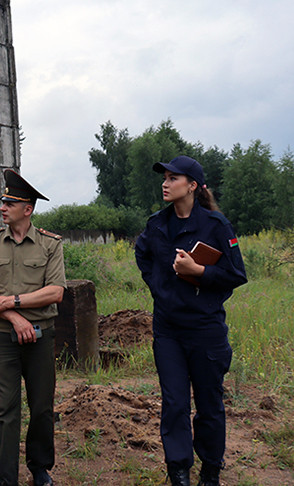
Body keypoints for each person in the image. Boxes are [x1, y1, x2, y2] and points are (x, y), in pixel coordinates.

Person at [135, 155, 247, 486]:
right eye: (165, 178)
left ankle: (210, 469)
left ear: (192, 186)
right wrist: (159, 286)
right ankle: (179, 470)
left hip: (205, 329)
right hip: (168, 329)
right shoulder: (156, 223)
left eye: (173, 178)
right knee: (174, 403)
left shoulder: (215, 226)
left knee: (209, 403)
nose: (165, 183)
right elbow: (142, 254)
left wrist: (198, 272)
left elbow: (235, 274)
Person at [0, 169, 66, 486]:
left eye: (10, 203)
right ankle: (5, 477)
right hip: (2, 338)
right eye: (3, 201)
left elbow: (55, 292)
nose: (3, 207)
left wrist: (10, 302)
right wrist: (14, 315)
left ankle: (40, 468)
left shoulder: (50, 245)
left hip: (40, 338)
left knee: (41, 407)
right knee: (4, 410)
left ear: (28, 209)